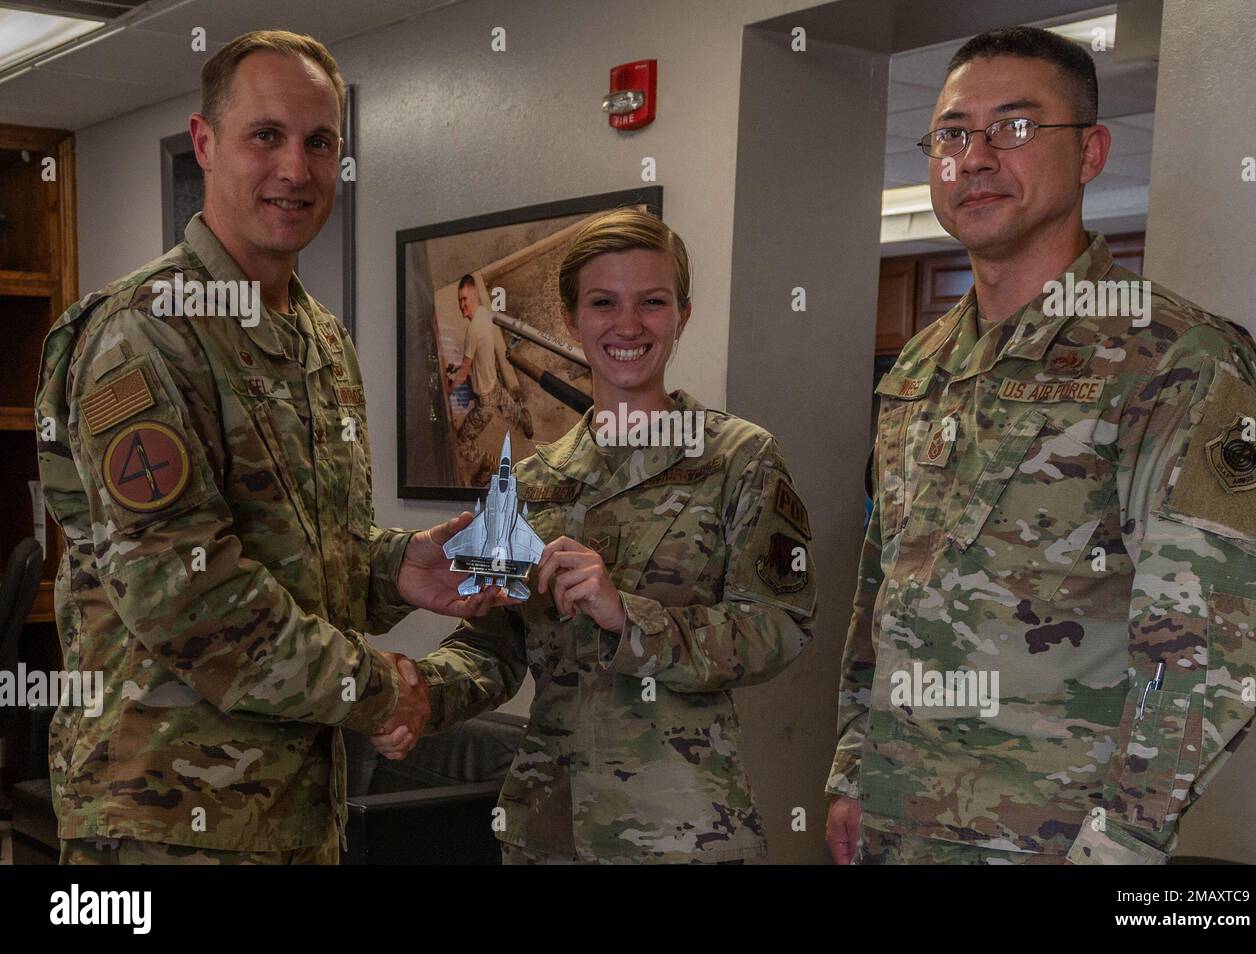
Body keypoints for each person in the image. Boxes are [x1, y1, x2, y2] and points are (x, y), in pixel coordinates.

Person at [34, 30, 505, 865]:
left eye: (320, 142)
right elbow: (189, 599)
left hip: (294, 810)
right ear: (206, 142)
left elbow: (298, 554)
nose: (296, 168)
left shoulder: (318, 337)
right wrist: (383, 687)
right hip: (161, 820)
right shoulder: (145, 332)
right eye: (267, 135)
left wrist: (394, 566)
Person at [824, 26, 1256, 865]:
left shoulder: (1177, 357)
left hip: (1055, 839)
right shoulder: (924, 363)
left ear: (1093, 152)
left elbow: (1207, 645)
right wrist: (854, 768)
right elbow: (885, 583)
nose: (977, 157)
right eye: (953, 134)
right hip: (899, 819)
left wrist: (1124, 843)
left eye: (1017, 127)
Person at [374, 209, 818, 863]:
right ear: (572, 319)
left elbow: (779, 628)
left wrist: (627, 617)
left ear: (682, 315)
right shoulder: (529, 481)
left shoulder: (739, 460)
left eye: (653, 302)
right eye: (604, 302)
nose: (628, 325)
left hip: (682, 831)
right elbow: (492, 647)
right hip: (548, 828)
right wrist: (419, 693)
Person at [448, 275, 534, 441]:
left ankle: (484, 463)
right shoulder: (484, 314)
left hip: (485, 399)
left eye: (464, 299)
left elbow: (464, 373)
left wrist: (448, 389)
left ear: (474, 295)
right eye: (460, 300)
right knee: (507, 405)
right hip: (493, 382)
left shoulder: (472, 331)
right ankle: (524, 422)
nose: (462, 305)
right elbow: (480, 353)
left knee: (463, 440)